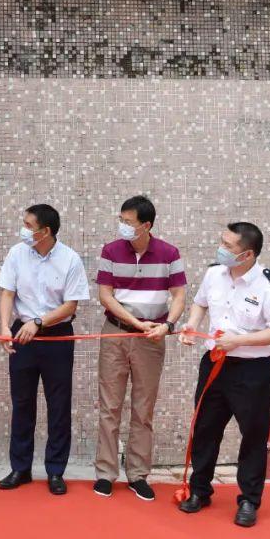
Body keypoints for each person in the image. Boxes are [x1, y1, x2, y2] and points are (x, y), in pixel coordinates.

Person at [179, 222, 270, 527]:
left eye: (228, 246)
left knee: (253, 435)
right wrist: (191, 327)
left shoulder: (269, 286)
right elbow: (200, 304)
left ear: (248, 254)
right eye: (222, 242)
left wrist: (240, 340)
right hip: (214, 364)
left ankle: (249, 500)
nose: (221, 249)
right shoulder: (214, 274)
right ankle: (200, 490)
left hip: (251, 371)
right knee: (205, 428)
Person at [93, 195, 186, 501]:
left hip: (152, 338)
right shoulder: (111, 250)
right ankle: (105, 473)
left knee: (143, 409)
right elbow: (106, 295)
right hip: (116, 332)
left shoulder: (169, 253)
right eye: (121, 220)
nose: (122, 226)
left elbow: (179, 296)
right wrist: (134, 321)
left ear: (146, 225)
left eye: (128, 222)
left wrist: (167, 326)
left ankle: (138, 475)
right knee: (110, 406)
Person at [0, 204, 90, 495]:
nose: (23, 230)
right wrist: (4, 327)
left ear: (45, 231)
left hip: (57, 336)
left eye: (28, 225)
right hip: (22, 335)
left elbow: (70, 305)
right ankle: (20, 468)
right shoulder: (17, 253)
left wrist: (38, 322)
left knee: (58, 405)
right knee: (22, 402)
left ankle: (55, 471)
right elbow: (7, 292)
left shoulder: (70, 259)